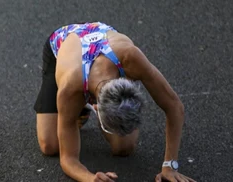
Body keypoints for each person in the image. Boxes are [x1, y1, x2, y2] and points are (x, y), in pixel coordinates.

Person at [34, 22, 195, 182]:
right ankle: (81, 107)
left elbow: (174, 105)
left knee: (124, 147)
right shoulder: (70, 87)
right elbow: (68, 159)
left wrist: (170, 166)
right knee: (50, 145)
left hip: (105, 46)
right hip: (62, 44)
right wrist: (90, 179)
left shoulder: (131, 57)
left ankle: (88, 106)